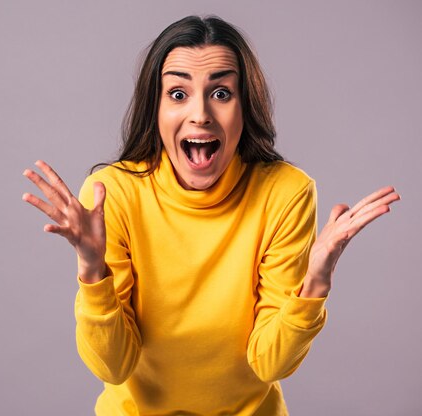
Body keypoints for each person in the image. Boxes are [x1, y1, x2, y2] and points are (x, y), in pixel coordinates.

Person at [22, 15, 400, 416]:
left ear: (245, 107)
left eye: (221, 93)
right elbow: (113, 368)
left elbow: (271, 364)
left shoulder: (285, 193)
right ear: (156, 108)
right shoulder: (112, 193)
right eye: (178, 93)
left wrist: (316, 281)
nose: (200, 114)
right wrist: (92, 269)